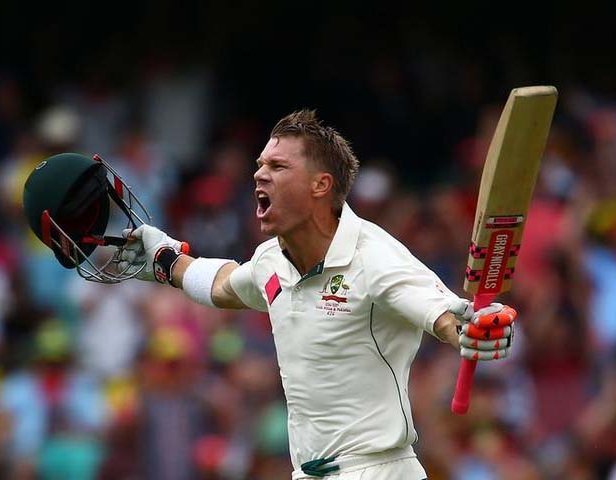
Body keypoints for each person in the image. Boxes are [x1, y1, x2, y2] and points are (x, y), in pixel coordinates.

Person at [119, 110, 516, 479]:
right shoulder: (270, 260)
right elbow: (226, 286)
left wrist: (472, 329)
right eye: (260, 165)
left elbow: (442, 314)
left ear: (320, 185)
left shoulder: (376, 256)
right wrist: (167, 261)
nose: (259, 175)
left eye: (277, 166)